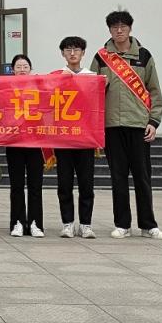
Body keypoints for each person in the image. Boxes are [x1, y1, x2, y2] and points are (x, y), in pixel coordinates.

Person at [90, 10, 162, 239]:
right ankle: (122, 224)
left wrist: (154, 121)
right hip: (112, 125)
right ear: (110, 30)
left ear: (130, 28)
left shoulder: (144, 55)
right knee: (118, 177)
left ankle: (148, 224)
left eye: (123, 26)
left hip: (139, 124)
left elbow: (154, 90)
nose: (119, 30)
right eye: (115, 27)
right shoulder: (101, 57)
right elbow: (91, 92)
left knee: (142, 177)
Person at [53, 37, 97, 239]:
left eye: (76, 49)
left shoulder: (92, 77)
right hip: (63, 137)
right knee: (64, 183)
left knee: (86, 183)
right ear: (62, 53)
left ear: (83, 53)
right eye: (68, 49)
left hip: (85, 138)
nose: (72, 53)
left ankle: (86, 224)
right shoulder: (57, 77)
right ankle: (68, 223)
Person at [6, 54, 45, 238]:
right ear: (12, 70)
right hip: (14, 142)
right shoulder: (6, 88)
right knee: (17, 185)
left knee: (35, 185)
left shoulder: (39, 87)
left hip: (35, 142)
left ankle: (36, 223)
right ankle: (18, 222)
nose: (22, 69)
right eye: (18, 67)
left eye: (25, 66)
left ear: (31, 69)